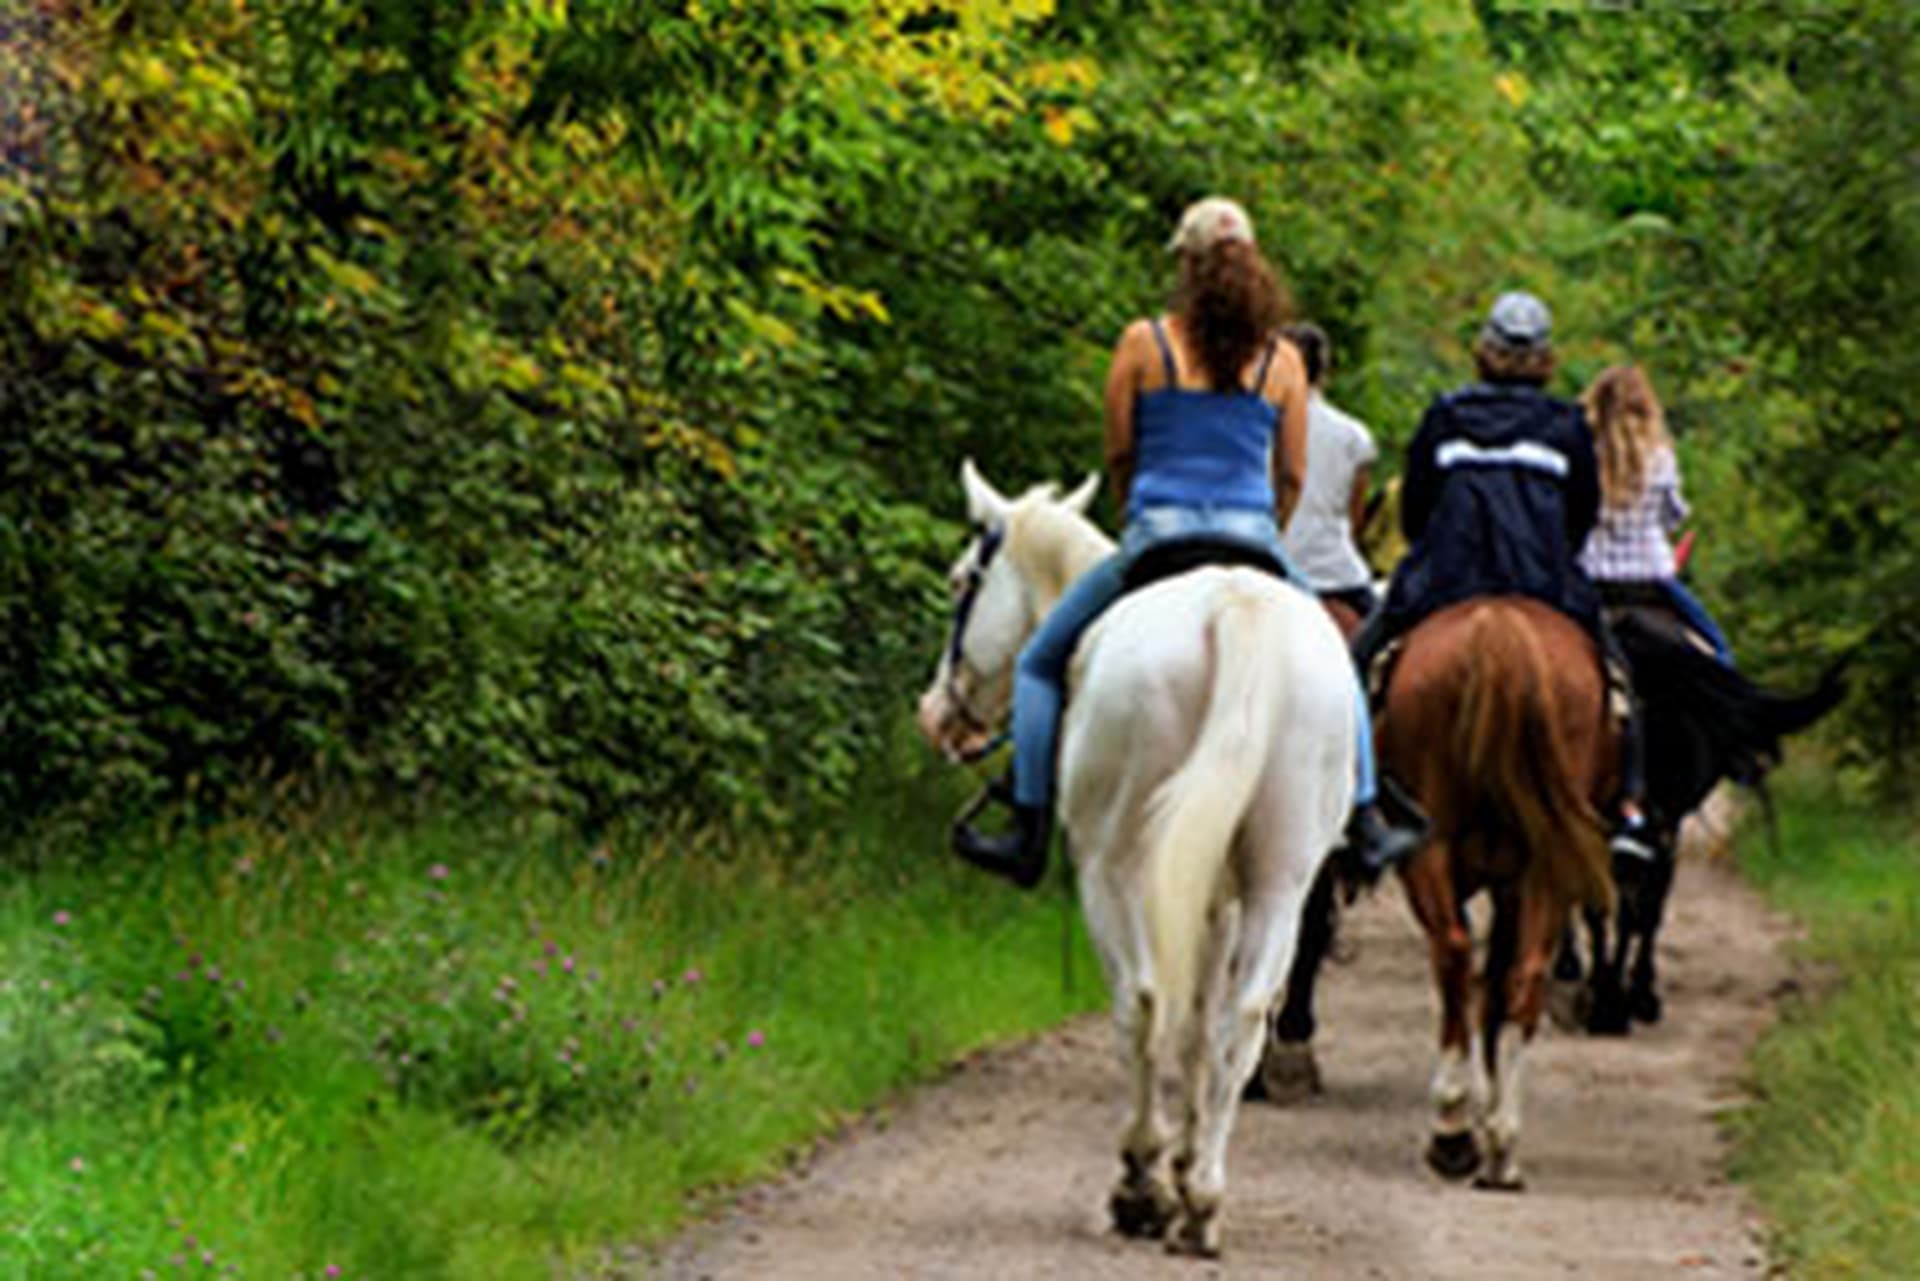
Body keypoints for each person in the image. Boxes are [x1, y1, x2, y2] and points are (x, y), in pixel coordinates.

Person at [954, 197, 1419, 888]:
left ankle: (1026, 827)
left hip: (1157, 536)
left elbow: (1119, 452)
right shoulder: (1283, 360)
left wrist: (1139, 512)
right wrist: (1267, 529)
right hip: (1255, 538)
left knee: (1040, 664)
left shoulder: (1144, 343)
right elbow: (1290, 473)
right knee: (1338, 661)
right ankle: (1366, 814)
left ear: (1187, 266)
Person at [1350, 291, 1653, 873]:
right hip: (1543, 582)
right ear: (1546, 358)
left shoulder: (1444, 416)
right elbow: (1581, 516)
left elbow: (1416, 511)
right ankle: (1631, 811)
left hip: (1444, 580)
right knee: (1621, 687)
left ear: (1483, 352)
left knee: (1353, 669)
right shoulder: (1567, 424)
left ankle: (1354, 813)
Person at [1578, 365, 1733, 663]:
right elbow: (1673, 516)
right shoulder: (1661, 457)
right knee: (1719, 651)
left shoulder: (1581, 454)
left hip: (1590, 577)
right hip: (1651, 578)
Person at [1280, 322, 1380, 619]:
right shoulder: (1354, 435)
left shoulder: (1258, 428)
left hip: (1271, 563)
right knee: (1384, 643)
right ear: (1324, 372)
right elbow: (1355, 521)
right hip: (1336, 573)